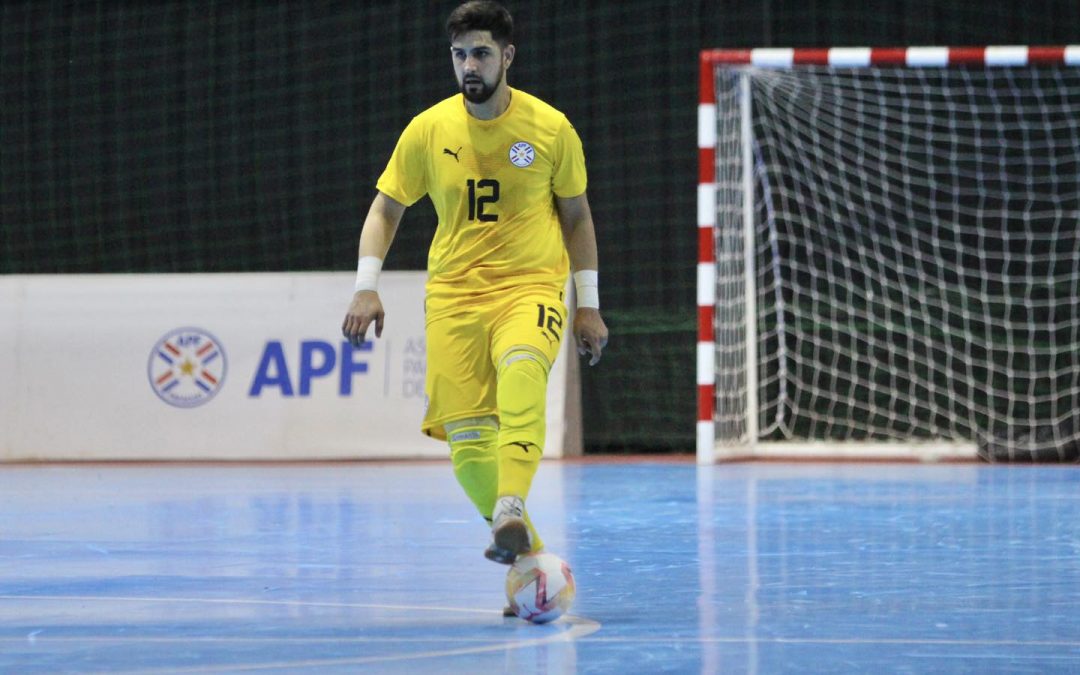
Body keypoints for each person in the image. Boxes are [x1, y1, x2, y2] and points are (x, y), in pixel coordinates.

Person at [341, 0, 608, 573]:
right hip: (454, 296)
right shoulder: (429, 129)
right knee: (465, 443)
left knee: (520, 374)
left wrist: (588, 304)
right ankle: (530, 556)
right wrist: (367, 285)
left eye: (482, 53)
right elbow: (386, 208)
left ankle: (510, 501)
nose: (470, 65)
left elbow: (578, 216)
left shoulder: (549, 128)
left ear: (507, 57)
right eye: (460, 54)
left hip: (529, 286)